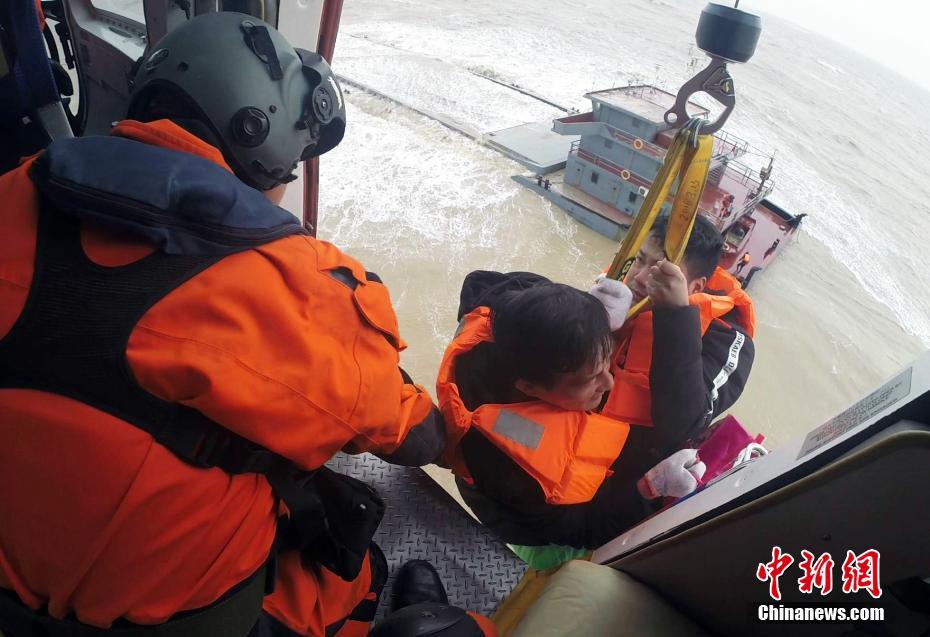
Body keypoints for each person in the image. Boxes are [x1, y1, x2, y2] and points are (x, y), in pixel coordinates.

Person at [0, 12, 485, 637]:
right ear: (266, 151)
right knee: (355, 572)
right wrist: (460, 441)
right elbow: (404, 430)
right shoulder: (292, 285)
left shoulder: (13, 190)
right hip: (166, 616)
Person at [435, 274, 707, 561]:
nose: (609, 383)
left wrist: (593, 313)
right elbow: (581, 528)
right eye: (591, 379)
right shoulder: (509, 460)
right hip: (528, 521)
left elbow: (490, 282)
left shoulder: (521, 306)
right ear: (529, 387)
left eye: (607, 363)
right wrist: (648, 488)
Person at [598, 214, 756, 503]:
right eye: (640, 260)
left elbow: (683, 421)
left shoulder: (728, 339)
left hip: (619, 483)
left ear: (695, 287)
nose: (641, 277)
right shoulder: (618, 287)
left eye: (660, 273)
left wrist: (675, 315)